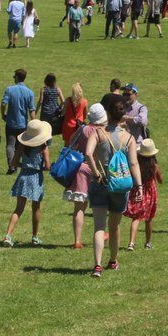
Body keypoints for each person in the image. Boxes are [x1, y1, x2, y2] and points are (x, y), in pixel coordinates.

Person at [84, 93, 143, 278]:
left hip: (100, 183)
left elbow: (88, 153)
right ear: (122, 115)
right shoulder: (129, 138)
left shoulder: (98, 133)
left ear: (107, 114)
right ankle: (113, 259)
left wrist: (96, 172)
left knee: (99, 226)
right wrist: (139, 186)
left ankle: (98, 265)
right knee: (115, 226)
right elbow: (134, 164)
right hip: (120, 184)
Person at [2, 119, 52, 247]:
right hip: (36, 177)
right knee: (36, 208)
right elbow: (47, 166)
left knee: (18, 209)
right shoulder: (43, 147)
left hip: (23, 176)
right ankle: (35, 237)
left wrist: (24, 165)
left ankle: (8, 236)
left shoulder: (22, 146)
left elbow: (13, 162)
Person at [65, 102, 105, 249]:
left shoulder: (83, 129)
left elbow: (71, 142)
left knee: (79, 207)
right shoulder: (103, 131)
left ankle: (77, 240)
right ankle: (101, 233)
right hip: (97, 169)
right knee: (99, 207)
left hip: (81, 168)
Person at [124, 138, 163, 251]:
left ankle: (131, 243)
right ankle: (148, 243)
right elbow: (160, 180)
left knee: (136, 218)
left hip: (137, 191)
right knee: (149, 218)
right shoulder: (154, 166)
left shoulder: (137, 165)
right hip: (150, 193)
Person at [2, 68, 37, 171]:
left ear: (17, 77)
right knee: (20, 146)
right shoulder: (30, 92)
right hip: (23, 124)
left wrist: (3, 114)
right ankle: (17, 165)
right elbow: (31, 110)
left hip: (11, 123)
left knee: (10, 145)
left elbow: (4, 103)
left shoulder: (9, 89)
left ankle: (11, 166)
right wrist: (34, 122)